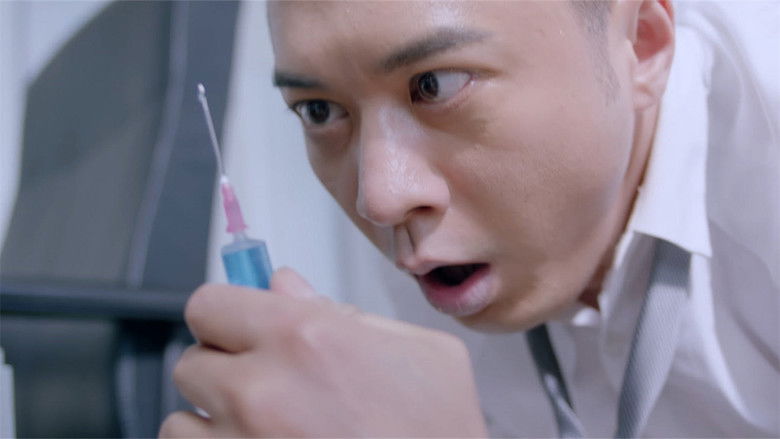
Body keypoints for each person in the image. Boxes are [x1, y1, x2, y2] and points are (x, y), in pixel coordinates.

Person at [160, 0, 779, 437]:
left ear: (641, 43)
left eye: (435, 85)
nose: (379, 199)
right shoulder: (431, 237)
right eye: (319, 110)